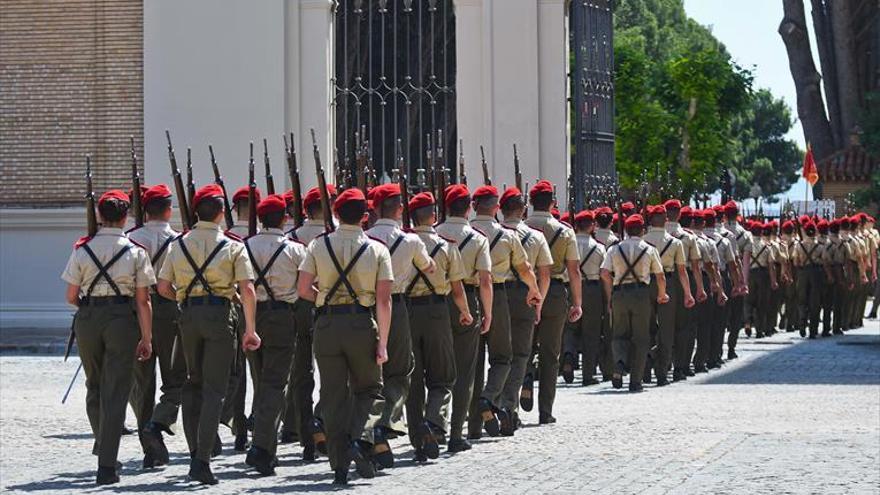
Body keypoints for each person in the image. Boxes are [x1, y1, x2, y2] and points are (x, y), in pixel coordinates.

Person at [157, 184, 260, 485]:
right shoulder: (233, 245)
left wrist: (183, 298)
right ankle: (202, 458)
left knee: (193, 383)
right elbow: (248, 289)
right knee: (215, 389)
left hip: (188, 314)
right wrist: (250, 329)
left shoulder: (179, 244)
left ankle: (194, 450)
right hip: (219, 315)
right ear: (220, 213)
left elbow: (163, 287)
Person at [296, 187, 392, 486]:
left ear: (335, 214)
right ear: (366, 216)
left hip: (326, 326)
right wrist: (383, 343)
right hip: (361, 324)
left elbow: (302, 289)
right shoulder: (377, 249)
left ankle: (339, 466)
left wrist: (324, 299)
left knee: (333, 397)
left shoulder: (318, 245)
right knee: (370, 390)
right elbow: (384, 301)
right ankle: (360, 439)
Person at [62, 190, 154, 485]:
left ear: (100, 216)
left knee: (95, 385)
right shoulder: (136, 251)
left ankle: (104, 442)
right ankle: (107, 465)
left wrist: (91, 310)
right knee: (116, 390)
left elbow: (71, 296)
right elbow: (143, 300)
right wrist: (147, 337)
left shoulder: (82, 249)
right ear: (125, 217)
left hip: (88, 319)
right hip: (121, 320)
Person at [365, 183, 434, 467]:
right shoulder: (411, 241)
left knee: (369, 375)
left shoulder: (365, 237)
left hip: (366, 306)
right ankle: (384, 422)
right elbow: (429, 267)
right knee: (401, 370)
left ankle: (370, 432)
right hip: (397, 306)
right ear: (399, 209)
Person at [405, 191, 474, 459]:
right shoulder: (447, 246)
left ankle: (417, 439)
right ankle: (434, 422)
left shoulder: (402, 243)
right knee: (443, 376)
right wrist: (466, 313)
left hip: (407, 311)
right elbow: (457, 289)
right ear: (433, 216)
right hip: (436, 312)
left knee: (413, 378)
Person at [242, 194, 307, 475]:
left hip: (251, 315)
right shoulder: (295, 250)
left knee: (262, 382)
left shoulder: (243, 247)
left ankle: (265, 445)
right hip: (282, 316)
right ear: (284, 218)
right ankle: (261, 447)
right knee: (274, 384)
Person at [469, 185, 541, 435]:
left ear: (473, 206)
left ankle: (473, 426)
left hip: (468, 296)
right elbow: (524, 269)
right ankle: (489, 398)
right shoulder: (507, 235)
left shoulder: (464, 234)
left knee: (473, 362)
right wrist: (534, 290)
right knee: (503, 357)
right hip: (498, 295)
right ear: (496, 208)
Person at [127, 184, 187, 469]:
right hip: (168, 309)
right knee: (175, 378)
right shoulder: (179, 240)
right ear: (168, 209)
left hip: (136, 311)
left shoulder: (130, 239)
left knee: (143, 383)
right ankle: (159, 421)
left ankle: (149, 447)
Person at [280, 185, 337, 458]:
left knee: (302, 374)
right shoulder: (337, 236)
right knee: (336, 372)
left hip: (300, 306)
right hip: (331, 307)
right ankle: (322, 420)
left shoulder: (292, 237)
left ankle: (306, 436)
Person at [435, 184, 493, 453]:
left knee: (435, 369)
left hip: (437, 302)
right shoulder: (478, 238)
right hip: (467, 299)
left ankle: (434, 423)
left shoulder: (434, 234)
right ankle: (457, 432)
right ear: (469, 207)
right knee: (465, 370)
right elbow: (485, 281)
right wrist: (488, 312)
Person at [524, 180, 581, 423]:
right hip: (556, 292)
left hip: (526, 291)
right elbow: (574, 270)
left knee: (522, 347)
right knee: (550, 353)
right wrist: (578, 302)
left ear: (529, 202)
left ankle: (525, 379)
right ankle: (545, 410)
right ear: (553, 203)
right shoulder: (565, 231)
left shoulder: (521, 228)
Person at [498, 187, 551, 433]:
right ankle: (509, 406)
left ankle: (492, 401)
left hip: (498, 295)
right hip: (525, 295)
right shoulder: (536, 236)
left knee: (496, 355)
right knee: (520, 355)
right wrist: (538, 301)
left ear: (501, 210)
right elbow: (544, 274)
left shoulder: (492, 234)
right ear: (523, 210)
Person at [600, 214, 667, 392]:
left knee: (619, 334)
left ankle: (620, 363)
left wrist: (610, 294)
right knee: (641, 338)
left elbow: (604, 273)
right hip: (641, 294)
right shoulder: (649, 249)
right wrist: (662, 294)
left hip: (620, 293)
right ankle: (635, 381)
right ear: (643, 230)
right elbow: (660, 275)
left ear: (627, 231)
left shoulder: (614, 249)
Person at [221, 185, 261, 452]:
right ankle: (258, 422)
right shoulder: (268, 237)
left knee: (237, 373)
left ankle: (238, 428)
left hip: (235, 307)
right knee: (262, 375)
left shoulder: (228, 239)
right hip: (266, 310)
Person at [643, 205, 694, 386]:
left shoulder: (642, 240)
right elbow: (682, 271)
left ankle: (645, 369)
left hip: (646, 283)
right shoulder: (675, 243)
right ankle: (662, 373)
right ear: (666, 220)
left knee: (647, 328)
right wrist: (688, 293)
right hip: (669, 283)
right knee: (666, 330)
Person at [666, 204, 706, 381]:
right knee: (684, 326)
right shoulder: (688, 238)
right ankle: (680, 366)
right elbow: (696, 267)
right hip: (683, 279)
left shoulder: (652, 235)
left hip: (662, 278)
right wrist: (699, 288)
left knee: (664, 325)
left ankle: (662, 362)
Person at [567, 210, 607, 386]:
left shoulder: (569, 243)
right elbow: (604, 273)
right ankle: (588, 374)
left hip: (570, 287)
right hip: (592, 288)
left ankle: (568, 355)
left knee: (569, 328)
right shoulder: (598, 247)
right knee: (591, 333)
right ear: (591, 226)